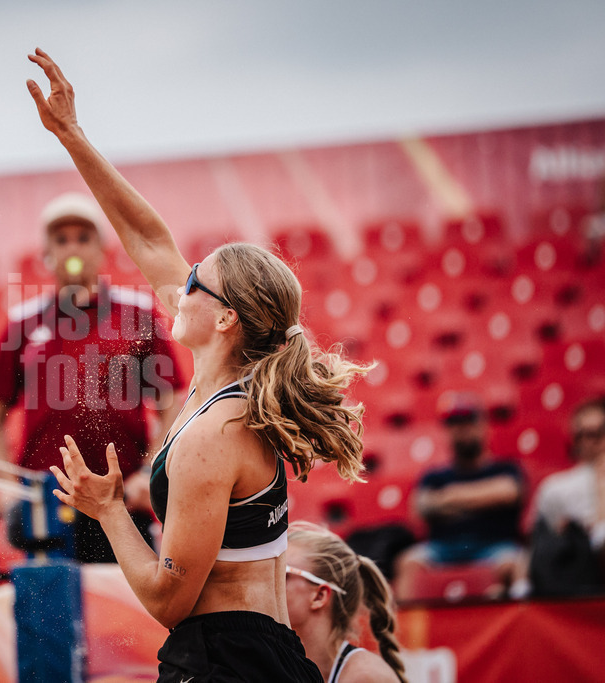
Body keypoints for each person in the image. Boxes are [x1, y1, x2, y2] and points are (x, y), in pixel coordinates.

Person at [28, 48, 370, 681]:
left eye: (194, 284)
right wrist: (72, 136)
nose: (177, 286)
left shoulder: (214, 434)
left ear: (224, 318)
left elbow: (167, 599)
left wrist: (106, 511)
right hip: (249, 654)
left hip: (226, 660)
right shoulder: (226, 380)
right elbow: (150, 240)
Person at [0, 191, 186, 563]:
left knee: (127, 613)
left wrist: (149, 472)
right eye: (61, 239)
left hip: (122, 498)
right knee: (55, 612)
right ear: (47, 253)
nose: (72, 247)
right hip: (47, 500)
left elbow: (174, 404)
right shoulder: (23, 324)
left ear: (101, 249)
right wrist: (7, 485)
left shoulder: (137, 315)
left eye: (83, 237)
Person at [393, 391, 528, 600]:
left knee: (517, 563)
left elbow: (509, 492)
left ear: (483, 426)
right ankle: (406, 629)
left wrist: (448, 498)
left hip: (495, 545)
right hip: (443, 547)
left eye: (467, 422)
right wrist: (483, 498)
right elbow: (421, 508)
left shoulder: (506, 468)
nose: (461, 430)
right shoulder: (434, 475)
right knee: (408, 562)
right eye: (454, 424)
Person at [286, 522, 407, 683]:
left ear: (319, 596)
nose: (266, 582)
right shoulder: (276, 664)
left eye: (282, 574)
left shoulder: (366, 675)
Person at [528, 396, 605, 595]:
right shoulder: (555, 487)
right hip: (577, 574)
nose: (592, 441)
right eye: (583, 434)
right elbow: (545, 546)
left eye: (599, 433)